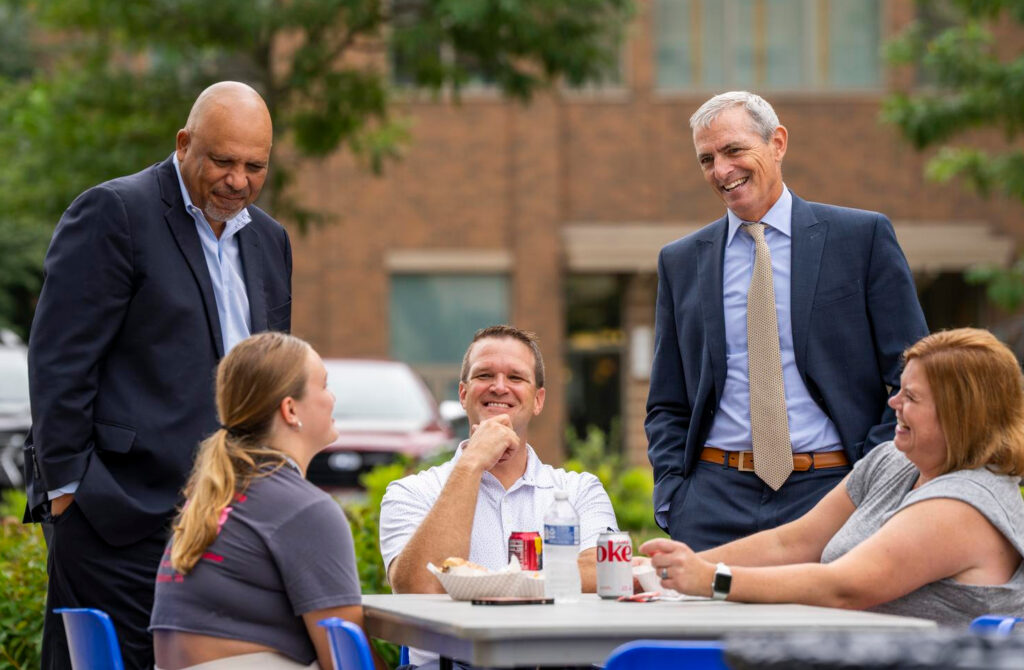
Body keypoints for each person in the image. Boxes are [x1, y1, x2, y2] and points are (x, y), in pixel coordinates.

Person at [24, 81, 293, 669]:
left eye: (255, 166)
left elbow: (269, 378)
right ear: (184, 143)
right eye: (222, 161)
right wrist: (73, 492)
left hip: (224, 521)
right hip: (114, 515)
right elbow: (59, 361)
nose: (238, 180)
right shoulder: (115, 213)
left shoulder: (271, 241)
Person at [646, 90, 928, 550]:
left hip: (834, 493)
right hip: (712, 501)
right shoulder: (680, 262)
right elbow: (667, 400)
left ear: (777, 143)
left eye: (734, 150)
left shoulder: (861, 239)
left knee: (826, 624)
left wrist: (872, 479)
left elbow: (912, 374)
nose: (721, 170)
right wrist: (674, 498)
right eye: (706, 159)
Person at [643, 328, 1024, 626]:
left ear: (961, 415)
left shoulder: (963, 507)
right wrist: (670, 572)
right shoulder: (894, 461)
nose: (894, 403)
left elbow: (844, 588)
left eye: (911, 396)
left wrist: (713, 580)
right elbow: (792, 543)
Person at [380, 325, 618, 669]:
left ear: (538, 400)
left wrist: (487, 584)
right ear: (463, 394)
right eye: (485, 375)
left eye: (516, 377)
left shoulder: (579, 490)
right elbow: (420, 588)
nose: (500, 386)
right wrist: (473, 463)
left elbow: (606, 574)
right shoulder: (411, 492)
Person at [151, 332, 376, 670]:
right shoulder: (305, 510)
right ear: (290, 409)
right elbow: (346, 659)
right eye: (324, 385)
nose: (332, 398)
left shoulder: (217, 495)